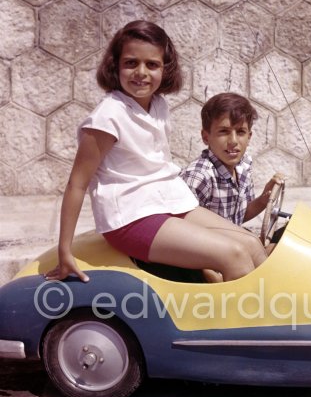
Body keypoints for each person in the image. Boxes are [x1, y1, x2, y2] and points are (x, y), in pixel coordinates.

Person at [45, 21, 266, 284]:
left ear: (165, 68)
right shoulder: (108, 117)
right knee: (235, 255)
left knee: (251, 244)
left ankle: (273, 315)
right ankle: (240, 323)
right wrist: (64, 250)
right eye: (130, 63)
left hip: (167, 201)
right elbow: (77, 184)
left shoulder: (158, 105)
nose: (141, 72)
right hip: (131, 216)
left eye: (152, 64)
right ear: (115, 66)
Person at [182, 93, 283, 226]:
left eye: (240, 132)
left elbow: (238, 217)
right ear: (206, 137)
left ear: (249, 137)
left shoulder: (243, 167)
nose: (233, 141)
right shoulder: (199, 177)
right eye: (224, 131)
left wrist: (263, 200)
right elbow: (181, 230)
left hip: (232, 241)